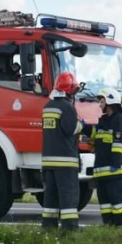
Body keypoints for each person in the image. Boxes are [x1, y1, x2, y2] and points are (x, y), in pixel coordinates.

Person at [41, 72, 86, 230]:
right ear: (69, 91)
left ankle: (48, 227)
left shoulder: (47, 107)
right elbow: (71, 129)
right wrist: (82, 124)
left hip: (48, 161)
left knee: (50, 197)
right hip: (65, 161)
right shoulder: (67, 107)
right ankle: (70, 228)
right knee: (68, 197)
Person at [91, 87, 122, 226]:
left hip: (115, 172)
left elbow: (120, 144)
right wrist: (83, 126)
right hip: (102, 172)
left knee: (117, 202)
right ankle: (107, 226)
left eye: (102, 101)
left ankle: (119, 227)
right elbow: (96, 135)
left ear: (109, 102)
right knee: (105, 203)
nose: (100, 104)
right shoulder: (103, 120)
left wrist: (116, 164)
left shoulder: (119, 120)